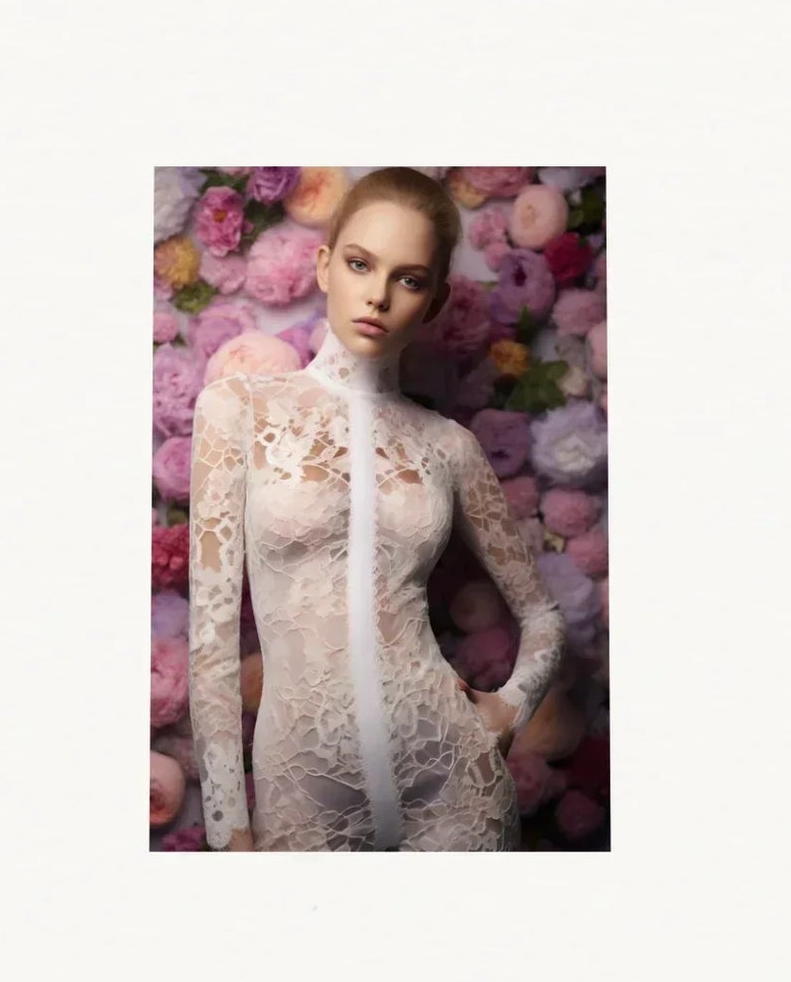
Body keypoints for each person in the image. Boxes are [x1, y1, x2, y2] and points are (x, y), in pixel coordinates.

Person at [188, 167, 567, 851]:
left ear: (433, 298)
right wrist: (226, 830)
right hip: (304, 792)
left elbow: (542, 614)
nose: (380, 295)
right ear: (326, 265)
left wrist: (510, 707)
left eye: (410, 279)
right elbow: (211, 640)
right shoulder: (238, 410)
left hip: (455, 779)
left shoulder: (450, 446)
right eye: (362, 264)